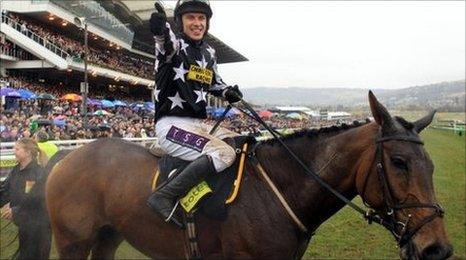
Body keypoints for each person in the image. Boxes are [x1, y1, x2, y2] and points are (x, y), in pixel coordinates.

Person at [146, 0, 243, 228]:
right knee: (225, 155)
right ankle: (164, 195)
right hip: (171, 126)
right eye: (191, 18)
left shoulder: (210, 52)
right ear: (180, 22)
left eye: (201, 18)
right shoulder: (175, 46)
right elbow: (165, 43)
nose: (197, 23)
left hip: (199, 125)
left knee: (239, 142)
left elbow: (213, 83)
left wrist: (228, 91)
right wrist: (160, 29)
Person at [0, 138, 48, 259]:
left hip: (39, 227)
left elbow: (37, 200)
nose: (14, 151)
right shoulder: (16, 170)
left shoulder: (39, 173)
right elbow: (4, 191)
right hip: (25, 224)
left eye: (17, 149)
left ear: (28, 152)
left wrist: (16, 211)